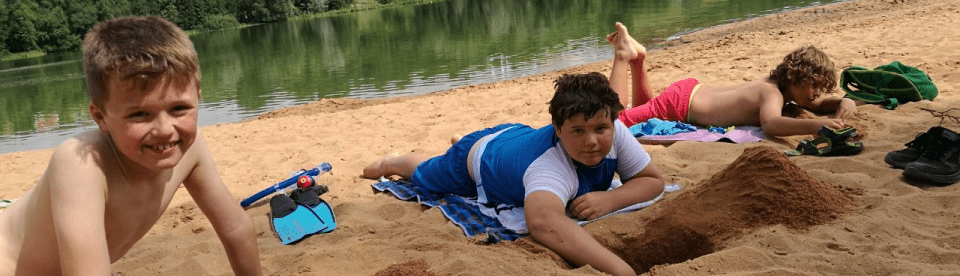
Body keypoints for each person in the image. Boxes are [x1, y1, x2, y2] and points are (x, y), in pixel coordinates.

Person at [0, 16, 262, 276]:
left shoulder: (191, 149)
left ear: (198, 99)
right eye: (139, 115)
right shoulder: (82, 163)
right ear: (100, 117)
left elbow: (236, 229)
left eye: (179, 108)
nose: (164, 130)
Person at [363, 72, 666, 276]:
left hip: (516, 141)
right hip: (476, 160)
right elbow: (544, 223)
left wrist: (610, 200)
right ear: (558, 130)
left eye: (601, 129)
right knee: (425, 175)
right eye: (578, 131)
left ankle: (459, 143)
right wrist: (623, 272)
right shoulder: (548, 168)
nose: (591, 141)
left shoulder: (616, 132)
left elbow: (652, 180)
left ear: (612, 122)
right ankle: (394, 161)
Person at [607, 22, 857, 137]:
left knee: (644, 110)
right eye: (813, 85)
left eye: (820, 88)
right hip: (682, 105)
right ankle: (623, 57)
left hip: (689, 92)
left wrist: (843, 102)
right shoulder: (772, 94)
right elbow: (771, 125)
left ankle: (638, 61)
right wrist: (816, 126)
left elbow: (819, 104)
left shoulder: (777, 86)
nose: (816, 93)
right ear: (795, 77)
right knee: (614, 119)